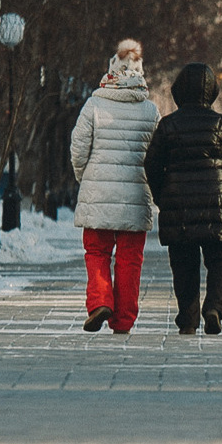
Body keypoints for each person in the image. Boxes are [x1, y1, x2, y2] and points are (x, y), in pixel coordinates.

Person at [144, 62, 222, 335]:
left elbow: (151, 165)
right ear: (211, 91)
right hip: (217, 205)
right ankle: (214, 307)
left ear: (178, 91)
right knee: (221, 261)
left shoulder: (168, 126)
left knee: (184, 264)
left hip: (180, 207)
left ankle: (188, 319)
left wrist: (162, 197)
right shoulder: (221, 123)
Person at [70, 39, 160, 333]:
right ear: (139, 74)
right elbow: (158, 157)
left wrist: (85, 178)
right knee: (130, 259)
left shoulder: (94, 105)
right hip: (136, 195)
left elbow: (78, 148)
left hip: (98, 192)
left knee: (96, 251)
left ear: (111, 71)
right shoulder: (150, 111)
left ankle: (99, 303)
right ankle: (123, 319)